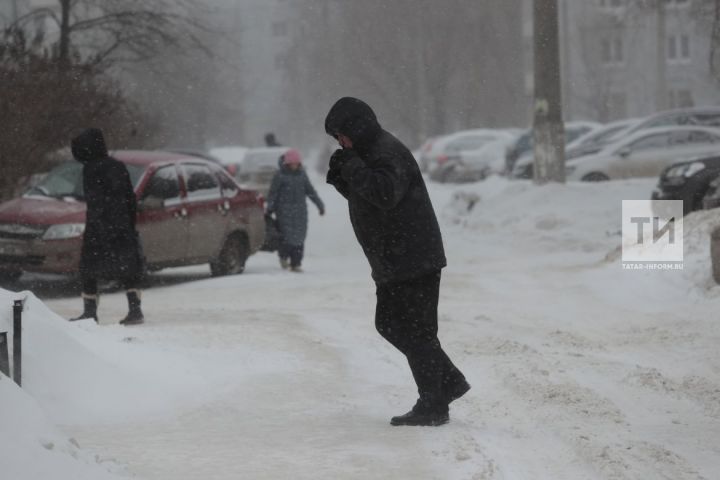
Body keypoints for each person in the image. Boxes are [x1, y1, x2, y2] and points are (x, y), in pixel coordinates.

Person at [324, 97, 469, 426]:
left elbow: (385, 193)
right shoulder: (368, 152)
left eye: (342, 135)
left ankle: (434, 402)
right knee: (395, 326)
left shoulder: (386, 151)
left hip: (413, 259)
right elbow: (369, 198)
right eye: (336, 139)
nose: (341, 143)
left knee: (415, 331)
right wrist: (343, 178)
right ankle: (446, 385)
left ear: (357, 129)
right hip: (395, 260)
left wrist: (353, 168)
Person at [69, 128, 145, 325]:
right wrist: (129, 222)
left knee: (88, 269)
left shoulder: (91, 169)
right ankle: (135, 310)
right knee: (129, 269)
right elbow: (130, 197)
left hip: (99, 226)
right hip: (122, 225)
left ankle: (90, 312)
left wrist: (98, 226)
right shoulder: (118, 166)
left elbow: (95, 201)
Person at [265, 149, 325, 272]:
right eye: (292, 163)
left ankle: (296, 263)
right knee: (286, 237)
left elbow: (311, 191)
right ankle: (283, 257)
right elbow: (273, 193)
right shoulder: (280, 175)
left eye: (296, 163)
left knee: (299, 238)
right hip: (283, 213)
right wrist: (269, 208)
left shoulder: (302, 175)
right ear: (287, 163)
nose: (294, 165)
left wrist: (320, 205)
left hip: (300, 213)